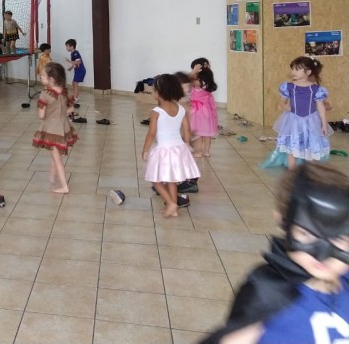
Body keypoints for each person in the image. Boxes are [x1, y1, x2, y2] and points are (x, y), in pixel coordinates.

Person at [201, 163, 349, 344]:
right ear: (284, 222)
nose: (323, 256)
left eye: (340, 239)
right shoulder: (269, 295)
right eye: (306, 234)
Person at [142, 73, 201, 218]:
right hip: (179, 149)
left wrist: (145, 149)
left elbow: (151, 133)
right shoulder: (180, 109)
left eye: (154, 90)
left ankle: (170, 203)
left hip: (164, 150)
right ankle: (173, 209)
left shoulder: (156, 112)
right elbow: (186, 129)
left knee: (155, 180)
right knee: (172, 180)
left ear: (160, 93)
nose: (153, 92)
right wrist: (187, 144)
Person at [273, 56, 332, 170]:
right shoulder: (289, 87)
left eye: (297, 69)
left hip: (311, 121)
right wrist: (285, 106)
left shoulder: (316, 89)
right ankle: (292, 172)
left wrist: (324, 124)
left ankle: (310, 172)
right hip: (293, 121)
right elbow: (282, 101)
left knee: (311, 146)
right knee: (292, 147)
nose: (293, 72)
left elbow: (321, 107)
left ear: (308, 72)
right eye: (292, 69)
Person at [32, 62, 77, 193]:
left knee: (57, 157)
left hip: (52, 130)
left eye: (43, 76)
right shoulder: (64, 91)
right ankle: (52, 177)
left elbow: (41, 115)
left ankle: (64, 186)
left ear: (51, 79)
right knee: (54, 151)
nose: (41, 77)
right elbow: (70, 109)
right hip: (63, 127)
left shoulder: (45, 94)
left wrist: (45, 112)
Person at [190, 67, 218, 158]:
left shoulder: (198, 90)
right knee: (203, 134)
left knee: (201, 134)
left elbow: (212, 104)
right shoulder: (204, 90)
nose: (195, 81)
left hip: (200, 114)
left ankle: (201, 152)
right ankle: (203, 151)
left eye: (197, 79)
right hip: (201, 113)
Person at [65, 39, 86, 107]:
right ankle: (76, 96)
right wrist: (71, 68)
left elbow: (79, 62)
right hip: (77, 70)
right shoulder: (72, 53)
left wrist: (69, 61)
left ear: (72, 46)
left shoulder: (75, 53)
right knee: (73, 83)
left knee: (75, 83)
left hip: (80, 70)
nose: (66, 48)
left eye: (67, 46)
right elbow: (75, 63)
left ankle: (75, 98)